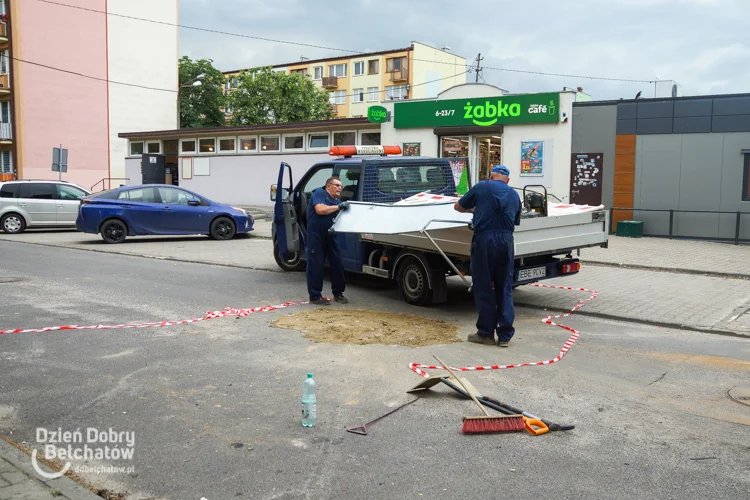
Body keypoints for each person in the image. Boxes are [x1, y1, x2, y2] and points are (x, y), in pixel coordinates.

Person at [454, 165, 521, 347]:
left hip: (485, 240)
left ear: (491, 175)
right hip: (506, 241)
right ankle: (505, 335)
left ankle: (485, 333)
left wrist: (473, 211)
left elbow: (458, 206)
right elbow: (515, 220)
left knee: (484, 285)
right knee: (504, 286)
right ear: (507, 180)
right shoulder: (514, 195)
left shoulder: (482, 186)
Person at [306, 176, 350, 306]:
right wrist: (338, 207)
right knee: (316, 265)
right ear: (328, 186)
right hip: (316, 236)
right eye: (337, 185)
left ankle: (338, 293)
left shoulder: (337, 201)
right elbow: (320, 210)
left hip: (331, 236)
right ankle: (315, 296)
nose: (340, 188)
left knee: (337, 264)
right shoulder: (319, 193)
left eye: (341, 186)